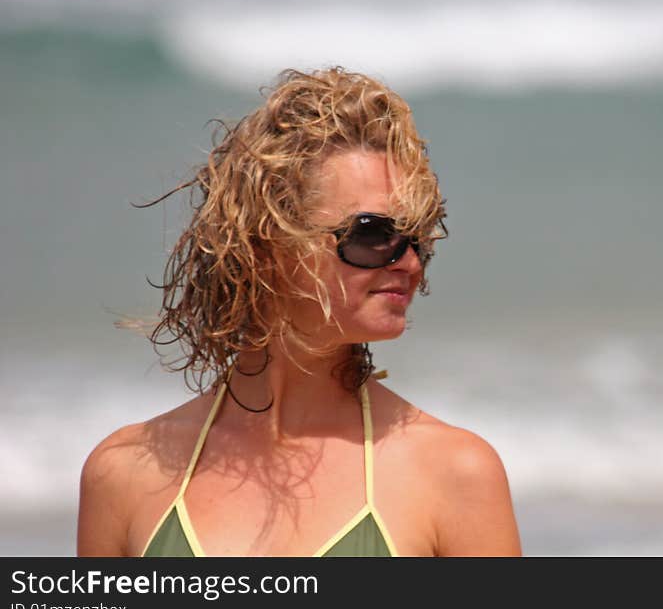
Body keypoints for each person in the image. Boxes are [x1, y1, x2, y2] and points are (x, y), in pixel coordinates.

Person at [77, 67, 522, 557]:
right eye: (373, 234)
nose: (410, 262)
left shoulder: (454, 474)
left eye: (416, 237)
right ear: (267, 242)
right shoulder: (124, 475)